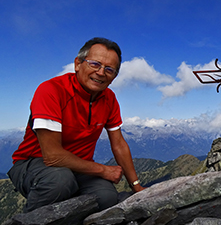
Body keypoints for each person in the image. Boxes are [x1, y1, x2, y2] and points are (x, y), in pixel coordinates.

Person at [8, 37, 144, 212]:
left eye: (109, 69)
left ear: (114, 77)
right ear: (78, 64)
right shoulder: (51, 91)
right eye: (95, 64)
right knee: (60, 182)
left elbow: (118, 144)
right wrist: (103, 170)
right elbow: (52, 156)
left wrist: (136, 186)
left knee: (107, 197)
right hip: (34, 163)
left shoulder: (109, 99)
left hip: (79, 167)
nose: (101, 72)